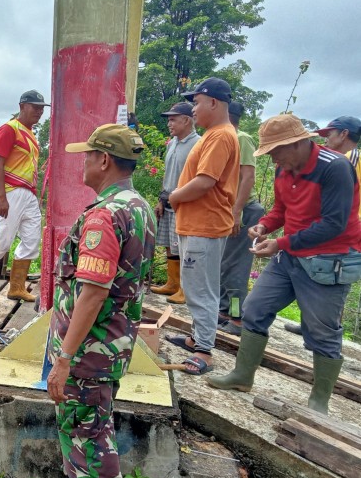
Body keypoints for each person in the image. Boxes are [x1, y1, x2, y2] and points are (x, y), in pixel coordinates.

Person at [41, 124, 155, 478]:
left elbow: (93, 290)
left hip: (90, 349)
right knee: (79, 423)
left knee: (90, 431)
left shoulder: (104, 214)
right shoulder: (139, 206)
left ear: (104, 160)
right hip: (111, 342)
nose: (83, 162)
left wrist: (65, 356)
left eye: (87, 155)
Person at [208, 115, 361, 414]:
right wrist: (265, 226)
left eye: (277, 151)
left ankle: (319, 402)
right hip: (290, 255)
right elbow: (281, 209)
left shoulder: (335, 168)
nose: (274, 157)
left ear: (299, 143)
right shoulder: (284, 167)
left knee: (323, 331)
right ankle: (242, 375)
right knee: (254, 309)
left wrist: (280, 243)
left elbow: (333, 223)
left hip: (329, 260)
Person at [166, 77, 240, 375]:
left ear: (213, 102)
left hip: (204, 225)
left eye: (196, 103)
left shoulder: (221, 136)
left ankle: (204, 351)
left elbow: (205, 182)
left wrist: (174, 195)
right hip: (196, 223)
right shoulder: (214, 134)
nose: (194, 109)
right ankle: (197, 338)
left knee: (201, 290)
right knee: (196, 285)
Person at [283, 116, 361, 336]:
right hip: (337, 225)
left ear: (344, 134)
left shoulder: (346, 159)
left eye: (329, 134)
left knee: (333, 285)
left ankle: (322, 326)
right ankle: (311, 323)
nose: (325, 140)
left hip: (344, 230)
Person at [0, 90, 49, 303]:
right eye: (35, 107)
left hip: (28, 193)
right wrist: (1, 196)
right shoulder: (9, 129)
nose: (39, 112)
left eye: (41, 108)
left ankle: (17, 286)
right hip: (10, 191)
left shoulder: (31, 134)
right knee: (1, 241)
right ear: (22, 106)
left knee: (31, 239)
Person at [218, 102, 266, 335]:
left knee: (235, 267)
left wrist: (237, 212)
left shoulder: (241, 138)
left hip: (244, 210)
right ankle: (224, 310)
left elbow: (248, 177)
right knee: (223, 264)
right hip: (230, 209)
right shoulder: (224, 137)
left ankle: (236, 317)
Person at [150, 101, 199, 303]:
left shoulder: (198, 144)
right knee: (170, 245)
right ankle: (172, 284)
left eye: (173, 120)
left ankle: (185, 290)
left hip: (185, 203)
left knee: (184, 247)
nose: (169, 124)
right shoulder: (172, 144)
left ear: (186, 120)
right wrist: (161, 200)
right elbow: (167, 174)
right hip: (168, 200)